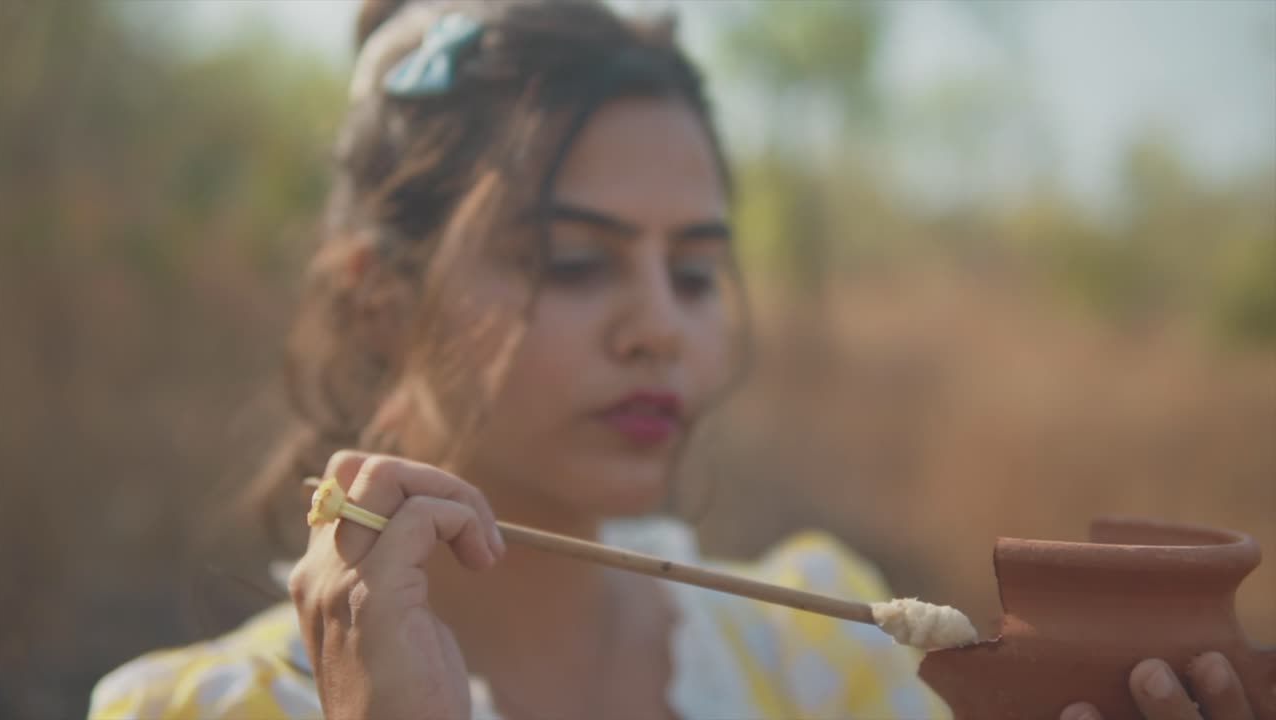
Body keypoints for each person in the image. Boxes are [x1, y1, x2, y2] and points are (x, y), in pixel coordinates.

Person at [88, 2, 1257, 719]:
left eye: (694, 271)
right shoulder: (197, 711)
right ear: (382, 304)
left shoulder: (820, 667)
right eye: (574, 263)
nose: (660, 327)